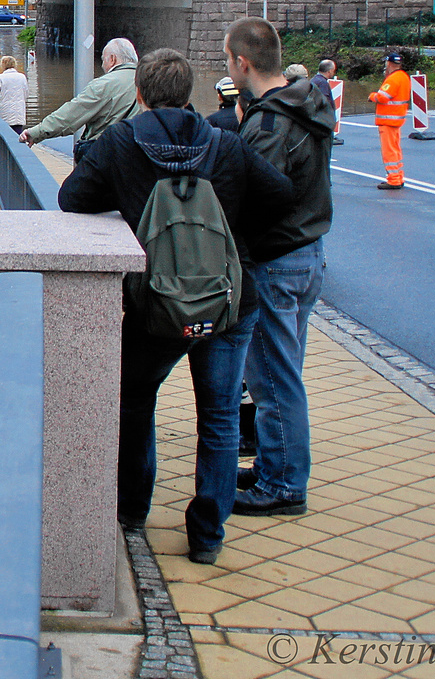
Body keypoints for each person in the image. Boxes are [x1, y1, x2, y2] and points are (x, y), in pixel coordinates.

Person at [58, 47, 295, 563]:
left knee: (137, 402)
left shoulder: (120, 143)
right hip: (227, 304)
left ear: (139, 94)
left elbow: (71, 200)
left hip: (155, 304)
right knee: (219, 415)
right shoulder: (224, 143)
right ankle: (207, 535)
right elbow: (281, 195)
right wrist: (232, 236)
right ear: (189, 94)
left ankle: (133, 511)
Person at [225, 17, 337, 517]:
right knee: (282, 373)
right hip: (308, 254)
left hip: (275, 259)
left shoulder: (269, 123)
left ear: (242, 63)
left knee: (273, 381)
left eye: (229, 59)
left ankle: (285, 485)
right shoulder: (308, 102)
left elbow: (255, 196)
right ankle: (275, 463)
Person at [20, 37, 141, 164]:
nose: (102, 65)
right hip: (142, 158)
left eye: (103, 60)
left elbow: (70, 116)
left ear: (112, 59)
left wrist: (35, 133)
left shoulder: (104, 84)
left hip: (109, 157)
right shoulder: (150, 81)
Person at [369, 53, 410, 190]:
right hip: (397, 120)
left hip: (387, 121)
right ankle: (398, 176)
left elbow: (382, 97)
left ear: (389, 64)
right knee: (396, 150)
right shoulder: (404, 77)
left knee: (389, 152)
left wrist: (372, 96)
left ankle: (393, 180)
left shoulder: (393, 79)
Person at [0, 56, 29, 134]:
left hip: (3, 113)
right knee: (17, 135)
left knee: (4, 135)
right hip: (18, 113)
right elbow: (26, 94)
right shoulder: (22, 77)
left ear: (2, 65)